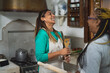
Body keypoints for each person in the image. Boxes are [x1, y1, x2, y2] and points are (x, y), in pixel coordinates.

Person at [76, 8, 110, 73]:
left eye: (89, 18)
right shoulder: (107, 39)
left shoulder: (95, 46)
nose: (87, 21)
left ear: (97, 22)